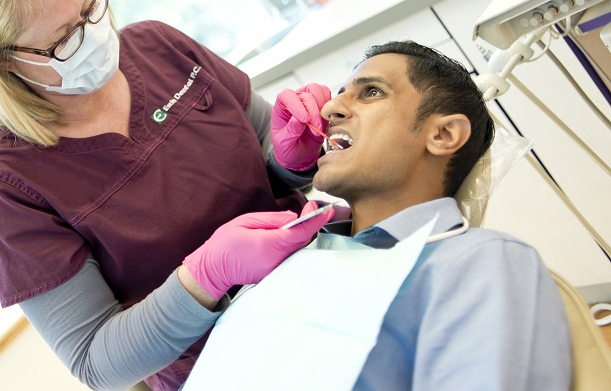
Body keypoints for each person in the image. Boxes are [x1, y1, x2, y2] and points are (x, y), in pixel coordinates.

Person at [0, 0, 337, 391]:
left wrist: (297, 153)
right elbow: (96, 362)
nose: (92, 37)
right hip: (234, 370)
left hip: (322, 282)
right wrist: (208, 275)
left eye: (90, 8)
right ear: (2, 61)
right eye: (63, 41)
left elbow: (275, 159)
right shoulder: (6, 185)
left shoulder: (159, 46)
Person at [184, 40, 572, 390]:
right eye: (338, 95)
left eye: (371, 92)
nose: (329, 107)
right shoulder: (290, 253)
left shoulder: (480, 261)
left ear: (443, 135)